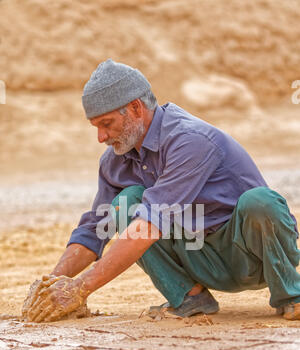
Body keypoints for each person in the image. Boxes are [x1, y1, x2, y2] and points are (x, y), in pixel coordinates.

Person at [23, 59, 300, 322]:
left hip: (252, 255)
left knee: (260, 202)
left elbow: (152, 223)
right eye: (95, 128)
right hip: (200, 256)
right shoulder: (114, 160)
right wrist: (51, 284)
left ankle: (291, 294)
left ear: (135, 108)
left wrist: (80, 288)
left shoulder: (188, 140)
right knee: (123, 205)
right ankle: (190, 298)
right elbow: (96, 228)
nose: (101, 138)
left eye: (107, 124)